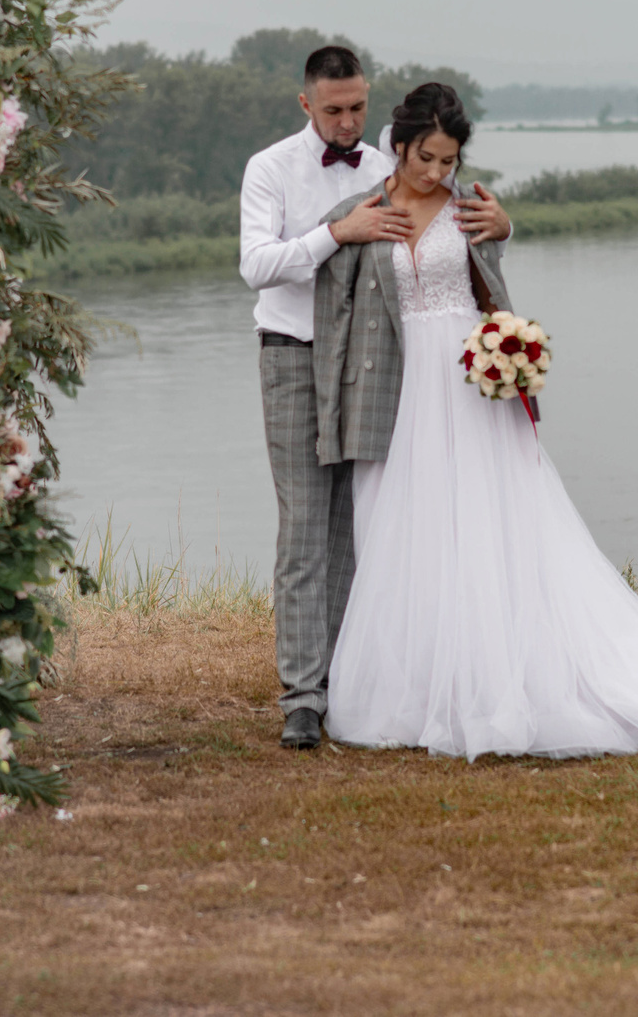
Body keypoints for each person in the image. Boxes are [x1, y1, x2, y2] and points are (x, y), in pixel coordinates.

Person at [315, 83, 638, 760]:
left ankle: (502, 677)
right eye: (426, 157)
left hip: (470, 382)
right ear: (398, 145)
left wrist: (507, 231)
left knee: (492, 519)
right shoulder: (364, 210)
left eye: (448, 158)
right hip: (400, 391)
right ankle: (414, 685)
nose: (436, 171)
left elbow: (490, 271)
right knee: (405, 520)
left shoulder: (472, 207)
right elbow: (338, 307)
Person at [238, 45, 509, 751]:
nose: (348, 121)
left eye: (358, 107)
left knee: (364, 525)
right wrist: (335, 234)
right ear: (306, 104)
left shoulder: (391, 166)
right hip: (295, 356)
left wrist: (501, 229)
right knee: (304, 528)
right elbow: (255, 264)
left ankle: (358, 681)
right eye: (334, 110)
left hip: (373, 363)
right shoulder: (270, 168)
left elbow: (450, 228)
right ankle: (303, 697)